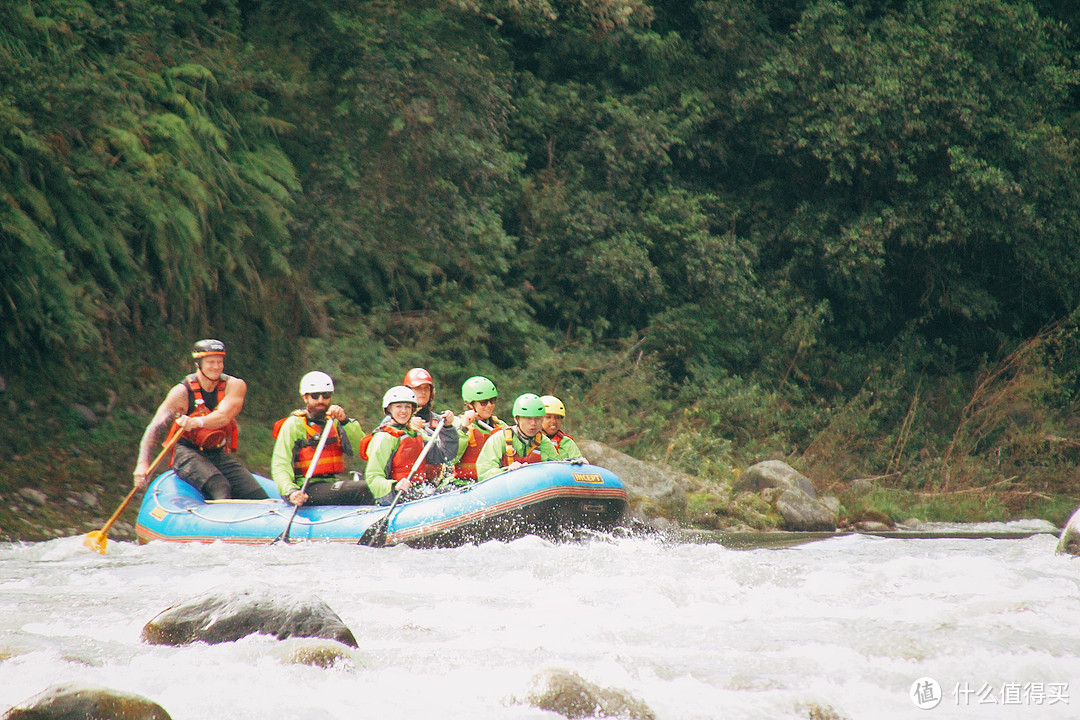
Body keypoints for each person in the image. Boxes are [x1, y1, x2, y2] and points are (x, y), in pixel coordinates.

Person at [132, 339, 268, 500]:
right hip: (186, 452)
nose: (216, 367)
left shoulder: (235, 385)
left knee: (256, 494)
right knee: (220, 486)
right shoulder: (181, 393)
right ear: (198, 364)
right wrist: (142, 464)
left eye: (219, 362)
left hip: (216, 452)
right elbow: (155, 428)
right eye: (211, 362)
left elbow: (224, 416)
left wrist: (196, 422)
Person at [270, 371, 372, 506]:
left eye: (326, 396)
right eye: (315, 396)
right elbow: (280, 464)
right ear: (305, 398)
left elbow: (364, 450)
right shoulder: (294, 425)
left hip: (331, 483)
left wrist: (345, 422)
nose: (321, 400)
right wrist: (291, 491)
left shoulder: (336, 422)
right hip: (305, 488)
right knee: (362, 489)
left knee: (373, 486)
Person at [364, 385, 459, 504]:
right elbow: (373, 477)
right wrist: (394, 486)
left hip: (419, 490)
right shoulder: (384, 437)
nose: (403, 411)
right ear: (389, 409)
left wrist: (448, 427)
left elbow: (444, 455)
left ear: (412, 410)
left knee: (451, 490)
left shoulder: (415, 434)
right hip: (397, 495)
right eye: (398, 406)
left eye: (407, 407)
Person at [474, 393, 558, 482]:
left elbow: (556, 470)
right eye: (528, 418)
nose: (533, 423)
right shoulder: (499, 438)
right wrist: (507, 471)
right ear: (517, 419)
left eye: (537, 418)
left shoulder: (544, 442)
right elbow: (484, 473)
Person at [449, 375, 508, 485]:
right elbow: (451, 459)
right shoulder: (458, 424)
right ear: (470, 404)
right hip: (463, 484)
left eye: (492, 401)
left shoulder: (501, 426)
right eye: (483, 402)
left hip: (493, 482)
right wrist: (464, 428)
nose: (489, 405)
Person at [540, 395, 586, 462]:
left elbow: (578, 468)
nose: (553, 421)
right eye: (548, 417)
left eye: (557, 417)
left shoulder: (567, 442)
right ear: (538, 419)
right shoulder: (531, 441)